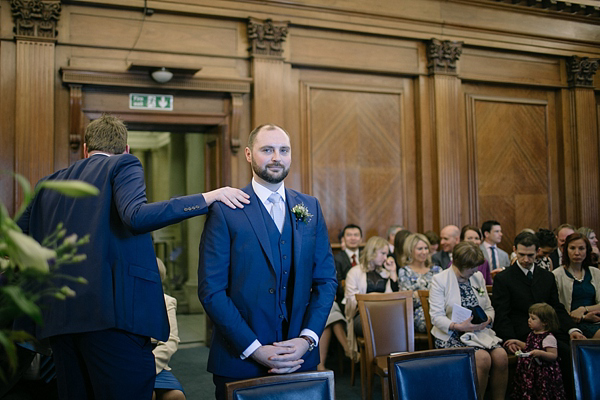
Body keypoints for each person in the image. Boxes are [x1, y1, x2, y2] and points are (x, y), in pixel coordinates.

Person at [16, 115, 250, 400]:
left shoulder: (48, 183)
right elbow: (136, 216)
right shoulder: (123, 165)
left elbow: (17, 239)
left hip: (59, 319)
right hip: (112, 316)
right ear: (126, 148)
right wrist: (207, 197)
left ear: (86, 148)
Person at [197, 124, 337, 399]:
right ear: (249, 154)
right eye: (267, 150)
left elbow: (326, 281)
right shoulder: (225, 210)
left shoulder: (310, 207)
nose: (277, 157)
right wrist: (255, 348)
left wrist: (307, 339)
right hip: (240, 361)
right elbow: (211, 291)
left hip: (300, 360)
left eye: (283, 150)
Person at [493, 232, 585, 398]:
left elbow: (556, 308)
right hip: (523, 332)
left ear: (538, 252)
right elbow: (502, 314)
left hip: (549, 330)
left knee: (573, 350)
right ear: (514, 250)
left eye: (531, 255)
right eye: (521, 255)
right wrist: (508, 339)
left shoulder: (547, 277)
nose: (526, 260)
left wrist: (572, 330)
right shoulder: (504, 278)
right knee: (560, 352)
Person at [429, 241, 507, 400]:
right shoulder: (440, 280)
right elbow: (436, 317)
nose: (476, 270)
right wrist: (458, 326)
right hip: (452, 335)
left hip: (479, 332)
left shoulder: (477, 277)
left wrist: (488, 320)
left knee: (501, 356)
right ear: (459, 263)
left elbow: (489, 308)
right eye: (471, 267)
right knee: (483, 358)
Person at [344, 236, 398, 361]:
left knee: (396, 323)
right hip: (362, 316)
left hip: (384, 314)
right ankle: (382, 361)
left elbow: (395, 298)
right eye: (383, 253)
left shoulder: (385, 273)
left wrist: (393, 272)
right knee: (386, 325)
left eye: (387, 254)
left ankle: (390, 361)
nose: (386, 258)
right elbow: (352, 300)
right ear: (372, 252)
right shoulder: (354, 272)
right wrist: (378, 298)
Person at [505, 303, 566, 400]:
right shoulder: (532, 334)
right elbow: (529, 346)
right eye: (529, 317)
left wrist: (540, 353)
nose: (529, 320)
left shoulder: (548, 338)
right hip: (530, 371)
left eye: (533, 319)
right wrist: (517, 342)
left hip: (542, 372)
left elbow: (553, 355)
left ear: (545, 322)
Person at [553, 232, 600, 338]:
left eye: (581, 248)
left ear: (587, 251)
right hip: (571, 324)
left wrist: (584, 309)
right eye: (572, 248)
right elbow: (557, 309)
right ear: (566, 250)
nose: (577, 253)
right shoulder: (557, 275)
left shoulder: (595, 272)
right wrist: (584, 317)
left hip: (595, 319)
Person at [153, 258, 185, 400]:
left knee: (175, 396)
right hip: (130, 363)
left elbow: (171, 341)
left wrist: (149, 367)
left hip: (155, 363)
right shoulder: (124, 298)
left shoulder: (167, 301)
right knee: (148, 394)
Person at [397, 233, 442, 333]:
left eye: (426, 248)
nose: (424, 252)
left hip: (440, 310)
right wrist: (432, 294)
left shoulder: (437, 270)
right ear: (410, 251)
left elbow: (445, 294)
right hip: (418, 313)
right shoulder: (405, 271)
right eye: (420, 249)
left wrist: (420, 294)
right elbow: (408, 299)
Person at [334, 224, 362, 306]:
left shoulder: (366, 256)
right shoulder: (336, 259)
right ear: (343, 239)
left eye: (356, 235)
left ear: (361, 239)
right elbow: (337, 285)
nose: (353, 238)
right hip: (344, 302)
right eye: (349, 235)